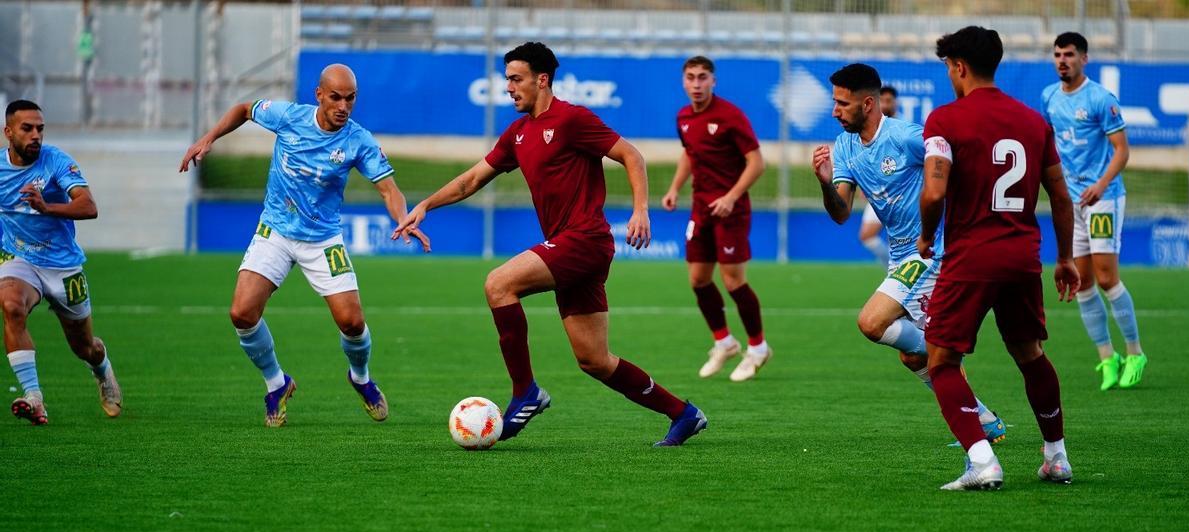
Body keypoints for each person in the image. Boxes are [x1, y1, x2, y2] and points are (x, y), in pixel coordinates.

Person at [392, 42, 707, 447]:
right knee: (595, 360)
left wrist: (640, 210)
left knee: (498, 284)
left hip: (585, 239)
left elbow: (632, 155)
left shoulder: (571, 119)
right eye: (506, 79)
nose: (508, 87)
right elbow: (471, 179)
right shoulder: (518, 133)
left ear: (542, 80)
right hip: (569, 246)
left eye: (515, 79)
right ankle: (684, 414)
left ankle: (526, 392)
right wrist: (425, 206)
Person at [180, 65, 427, 427]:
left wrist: (402, 217)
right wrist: (209, 138)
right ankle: (276, 384)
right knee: (242, 313)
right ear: (319, 95)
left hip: (323, 239)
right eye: (336, 97)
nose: (344, 106)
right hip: (275, 232)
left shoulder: (358, 140)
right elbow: (243, 110)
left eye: (351, 98)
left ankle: (360, 378)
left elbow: (389, 188)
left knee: (352, 322)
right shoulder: (288, 117)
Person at [917, 27, 1080, 490]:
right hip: (1023, 257)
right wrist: (1065, 258)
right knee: (1030, 355)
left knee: (942, 361)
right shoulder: (1032, 121)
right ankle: (1056, 457)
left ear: (959, 67)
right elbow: (1061, 198)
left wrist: (928, 236)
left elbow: (933, 191)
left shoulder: (945, 120)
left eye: (948, 66)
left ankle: (983, 460)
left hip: (971, 258)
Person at [811, 64, 1006, 445]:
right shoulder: (847, 145)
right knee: (913, 357)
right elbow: (840, 214)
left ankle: (948, 355)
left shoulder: (908, 137)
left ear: (867, 104)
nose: (834, 110)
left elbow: (956, 164)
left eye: (841, 103)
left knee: (871, 323)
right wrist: (824, 183)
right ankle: (982, 418)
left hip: (931, 252)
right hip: (901, 256)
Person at [1, 100, 121, 425]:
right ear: (8, 132)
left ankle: (102, 368)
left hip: (63, 267)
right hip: (20, 258)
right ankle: (34, 397)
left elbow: (89, 206)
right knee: (11, 306)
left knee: (84, 347)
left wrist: (47, 207)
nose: (36, 135)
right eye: (27, 128)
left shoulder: (55, 161)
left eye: (40, 128)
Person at [1042, 31, 1147, 391]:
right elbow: (1048, 144)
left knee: (1106, 277)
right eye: (1057, 54)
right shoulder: (1049, 98)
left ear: (1083, 59)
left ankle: (1134, 351)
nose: (1062, 60)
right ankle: (1107, 357)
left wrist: (1100, 185)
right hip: (1071, 202)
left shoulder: (1102, 99)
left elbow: (1121, 150)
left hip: (1103, 197)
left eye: (1069, 54)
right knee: (1082, 282)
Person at [661, 55, 771, 382]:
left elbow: (757, 163)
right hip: (701, 209)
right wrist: (674, 188)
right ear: (683, 82)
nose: (697, 84)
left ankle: (758, 347)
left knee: (733, 281)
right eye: (691, 78)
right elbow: (690, 154)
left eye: (703, 77)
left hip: (731, 210)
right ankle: (724, 342)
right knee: (698, 279)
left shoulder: (729, 115)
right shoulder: (683, 117)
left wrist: (731, 196)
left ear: (713, 81)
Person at [854, 85, 900, 267]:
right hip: (877, 194)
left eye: (890, 101)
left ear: (895, 104)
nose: (887, 105)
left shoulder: (902, 131)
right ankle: (891, 268)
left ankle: (899, 273)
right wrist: (863, 184)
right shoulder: (870, 131)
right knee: (866, 236)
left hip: (898, 194)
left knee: (899, 240)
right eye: (884, 101)